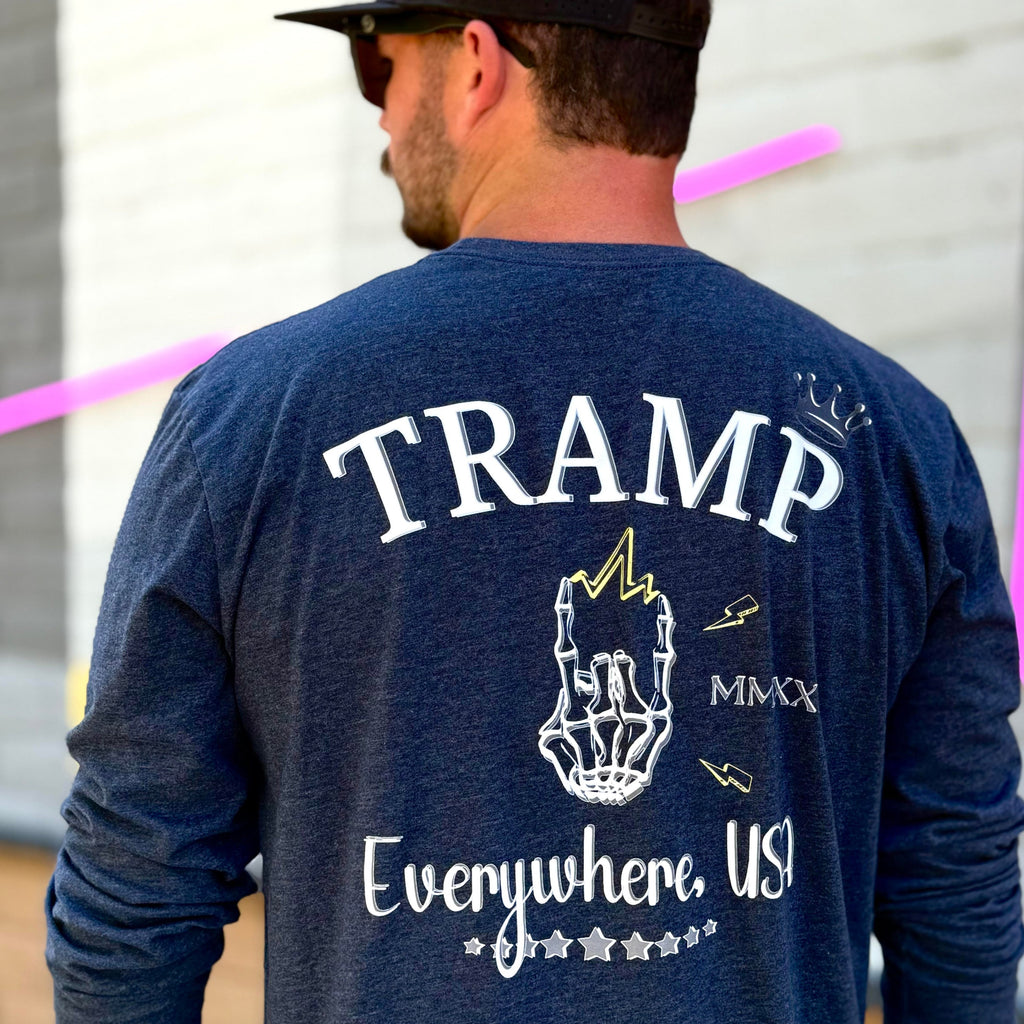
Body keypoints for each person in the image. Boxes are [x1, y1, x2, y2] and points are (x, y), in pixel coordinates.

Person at [44, 1, 1024, 1021]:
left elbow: (135, 886)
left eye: (380, 65)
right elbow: (956, 882)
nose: (381, 116)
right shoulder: (896, 438)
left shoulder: (251, 417)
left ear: (476, 64)